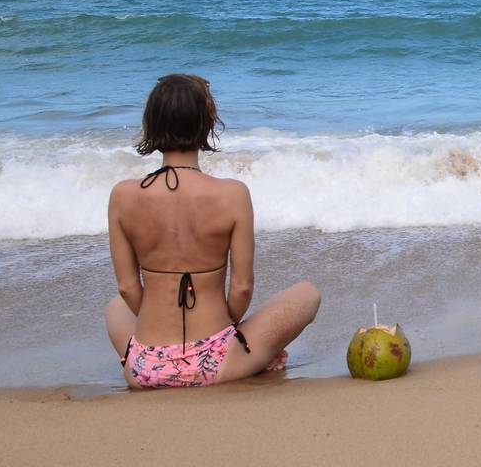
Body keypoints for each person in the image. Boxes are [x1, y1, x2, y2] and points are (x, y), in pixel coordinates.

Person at [105, 74, 320, 389]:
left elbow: (127, 288)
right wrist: (226, 333)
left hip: (145, 367)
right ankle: (250, 358)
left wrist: (157, 329)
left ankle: (155, 362)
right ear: (206, 125)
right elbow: (242, 288)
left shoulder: (122, 195)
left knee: (114, 306)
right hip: (215, 363)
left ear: (150, 125)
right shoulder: (232, 194)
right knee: (307, 294)